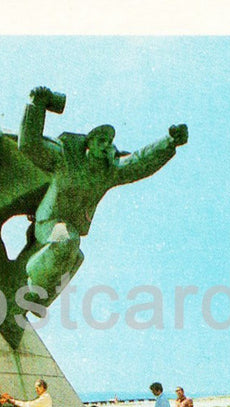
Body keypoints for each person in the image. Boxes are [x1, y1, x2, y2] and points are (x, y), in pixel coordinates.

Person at [17, 86, 187, 307]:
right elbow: (29, 145)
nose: (106, 145)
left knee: (76, 257)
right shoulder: (66, 158)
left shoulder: (108, 172)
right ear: (88, 143)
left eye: (109, 142)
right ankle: (31, 286)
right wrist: (36, 104)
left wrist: (168, 142)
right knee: (68, 242)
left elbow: (140, 162)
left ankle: (38, 299)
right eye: (101, 140)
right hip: (48, 222)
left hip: (70, 227)